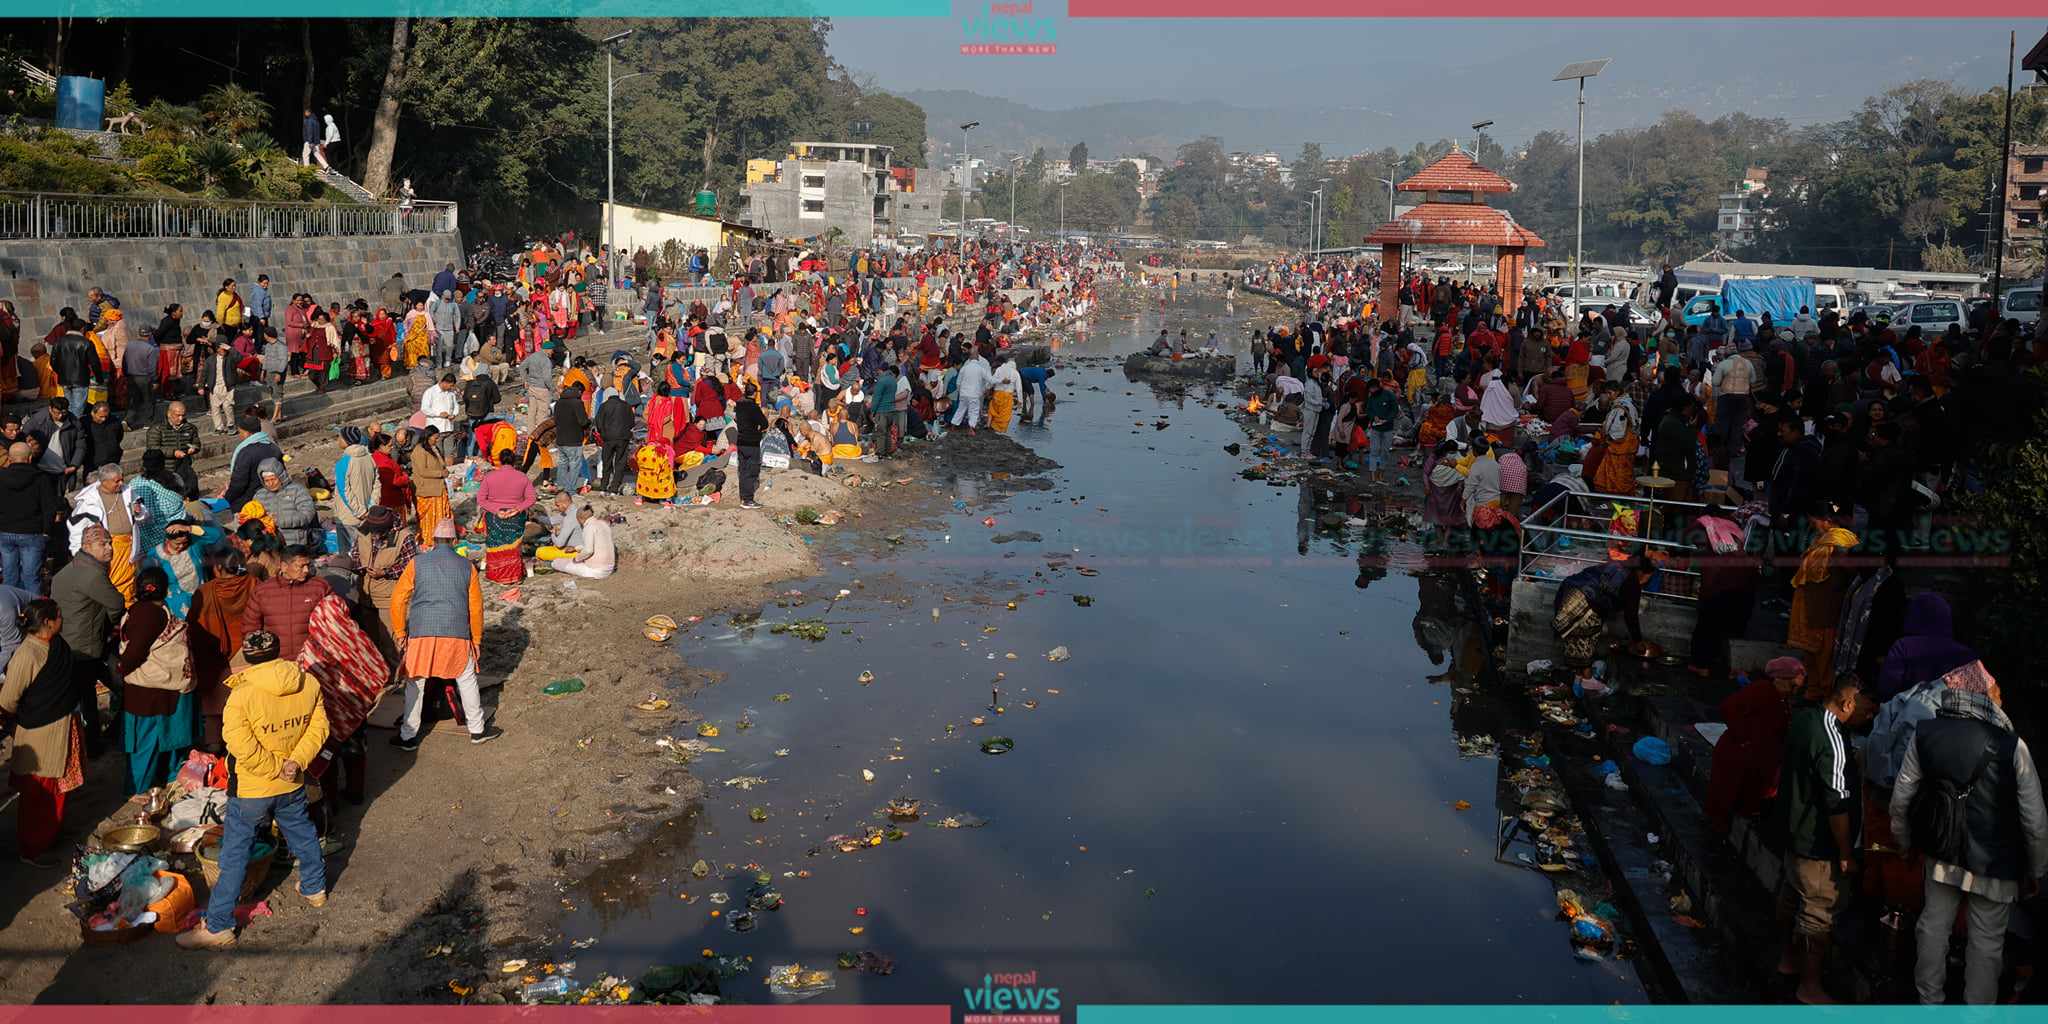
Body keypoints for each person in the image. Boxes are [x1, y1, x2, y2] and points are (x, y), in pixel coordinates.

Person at [1890, 671, 2048, 1005]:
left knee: (1933, 927)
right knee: (1987, 944)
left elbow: (1901, 796)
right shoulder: (2013, 745)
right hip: (1996, 862)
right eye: (1997, 690)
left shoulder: (1927, 732)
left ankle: (1928, 1003)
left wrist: (1904, 843)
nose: (2001, 698)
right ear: (1985, 694)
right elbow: (2034, 820)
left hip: (1941, 851)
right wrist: (2037, 870)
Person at [178, 629, 329, 950]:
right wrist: (295, 762)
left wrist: (275, 766)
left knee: (234, 853)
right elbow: (319, 727)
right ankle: (315, 887)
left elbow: (239, 744)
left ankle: (218, 925)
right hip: (292, 781)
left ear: (247, 658)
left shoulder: (243, 694)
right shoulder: (308, 682)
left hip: (253, 788)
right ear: (277, 651)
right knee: (301, 831)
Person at [1769, 675, 1864, 1004]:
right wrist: (1846, 851)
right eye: (1867, 708)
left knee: (1791, 896)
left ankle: (1787, 960)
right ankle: (1809, 986)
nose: (1870, 716)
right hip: (1817, 841)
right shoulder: (1832, 737)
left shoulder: (1806, 718)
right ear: (1848, 704)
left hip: (1793, 830)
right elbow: (1836, 800)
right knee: (1817, 911)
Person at [388, 519, 500, 749]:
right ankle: (477, 731)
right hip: (456, 632)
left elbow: (398, 600)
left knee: (415, 684)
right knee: (467, 680)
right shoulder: (467, 566)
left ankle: (408, 736)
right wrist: (476, 639)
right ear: (455, 541)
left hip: (421, 633)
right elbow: (475, 608)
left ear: (432, 541)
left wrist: (400, 632)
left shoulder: (416, 563)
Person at [1, 598, 82, 865]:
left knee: (57, 788)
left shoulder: (56, 644)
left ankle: (51, 834)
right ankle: (33, 849)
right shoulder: (28, 654)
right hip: (40, 734)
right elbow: (8, 698)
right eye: (59, 615)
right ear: (48, 622)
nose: (63, 619)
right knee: (39, 794)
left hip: (62, 727)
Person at [116, 566, 196, 794]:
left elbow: (134, 649)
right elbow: (137, 650)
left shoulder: (141, 611)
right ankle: (140, 790)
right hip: (154, 693)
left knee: (149, 745)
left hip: (149, 693)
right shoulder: (153, 613)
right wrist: (124, 667)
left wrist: (122, 669)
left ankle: (152, 784)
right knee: (152, 744)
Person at [1705, 656, 1805, 833]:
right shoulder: (1761, 690)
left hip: (1758, 760)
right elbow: (1728, 708)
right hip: (1737, 754)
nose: (1795, 691)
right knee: (1725, 797)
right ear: (1780, 679)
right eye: (1792, 685)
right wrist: (1745, 738)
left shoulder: (1783, 699)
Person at [53, 525, 125, 755]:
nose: (109, 548)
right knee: (91, 695)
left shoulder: (69, 569)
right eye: (102, 544)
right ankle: (94, 743)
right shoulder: (92, 574)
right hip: (87, 645)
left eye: (110, 542)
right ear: (86, 547)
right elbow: (116, 604)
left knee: (83, 694)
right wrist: (107, 625)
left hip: (69, 642)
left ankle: (92, 740)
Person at [1787, 503, 1858, 681]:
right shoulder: (1825, 539)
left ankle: (1821, 691)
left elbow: (1848, 569)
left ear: (1826, 521)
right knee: (1813, 652)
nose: (1812, 526)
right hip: (1816, 605)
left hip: (1827, 606)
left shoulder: (1839, 540)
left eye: (1814, 522)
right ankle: (1813, 689)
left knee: (1824, 651)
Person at [1874, 593, 1977, 703]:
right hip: (1954, 717)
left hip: (1906, 716)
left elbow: (1887, 689)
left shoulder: (1903, 647)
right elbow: (1976, 693)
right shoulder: (1967, 654)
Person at [1551, 555, 1655, 664]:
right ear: (1642, 572)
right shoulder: (1632, 582)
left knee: (1574, 637)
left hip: (1568, 590)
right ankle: (1585, 675)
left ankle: (1576, 671)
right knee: (1584, 639)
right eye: (1649, 576)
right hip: (1584, 601)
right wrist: (1638, 641)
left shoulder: (1614, 565)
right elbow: (1631, 616)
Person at [239, 544, 331, 662]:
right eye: (301, 566)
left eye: (308, 565)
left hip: (313, 661)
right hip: (276, 663)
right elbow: (250, 627)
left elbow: (334, 623)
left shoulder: (320, 587)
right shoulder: (263, 591)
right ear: (283, 566)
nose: (306, 570)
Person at [0, 441, 61, 590]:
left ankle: (10, 609)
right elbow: (49, 508)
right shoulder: (41, 478)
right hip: (32, 532)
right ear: (30, 458)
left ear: (10, 458)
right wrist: (47, 532)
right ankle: (34, 611)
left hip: (5, 531)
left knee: (9, 576)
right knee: (31, 577)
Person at [477, 449, 536, 584]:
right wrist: (517, 509)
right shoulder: (522, 477)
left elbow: (481, 499)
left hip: (494, 517)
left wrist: (496, 510)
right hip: (515, 517)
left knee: (496, 545)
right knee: (513, 547)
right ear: (514, 461)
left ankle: (497, 576)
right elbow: (531, 498)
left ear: (500, 460)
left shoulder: (490, 477)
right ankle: (514, 576)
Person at [223, 414, 283, 510]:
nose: (240, 436)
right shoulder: (273, 447)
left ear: (247, 433)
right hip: (274, 493)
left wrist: (226, 498)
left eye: (240, 433)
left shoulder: (246, 452)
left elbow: (239, 484)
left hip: (251, 499)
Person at [256, 458, 318, 548]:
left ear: (281, 476)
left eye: (273, 479)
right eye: (267, 481)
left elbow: (307, 515)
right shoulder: (259, 495)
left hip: (294, 544)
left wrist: (279, 520)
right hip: (270, 545)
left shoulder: (297, 490)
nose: (271, 483)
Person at [143, 401, 201, 497]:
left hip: (184, 466)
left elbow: (196, 443)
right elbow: (152, 448)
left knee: (191, 491)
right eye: (178, 415)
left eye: (183, 415)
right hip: (165, 468)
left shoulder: (190, 428)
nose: (181, 418)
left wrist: (194, 448)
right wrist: (173, 453)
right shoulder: (157, 429)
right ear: (169, 414)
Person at [410, 426, 451, 543]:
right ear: (428, 436)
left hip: (438, 487)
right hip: (428, 489)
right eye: (435, 437)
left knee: (441, 516)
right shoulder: (419, 451)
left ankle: (443, 539)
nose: (437, 440)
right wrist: (440, 473)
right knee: (430, 518)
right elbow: (422, 471)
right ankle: (431, 539)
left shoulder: (433, 448)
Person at [551, 504, 615, 579]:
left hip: (596, 571)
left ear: (580, 519)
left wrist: (576, 559)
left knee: (557, 562)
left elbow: (588, 551)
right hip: (610, 568)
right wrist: (575, 548)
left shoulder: (589, 527)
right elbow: (595, 546)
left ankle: (551, 564)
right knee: (570, 560)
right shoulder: (604, 524)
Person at [734, 380, 768, 509]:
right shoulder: (753, 407)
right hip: (751, 442)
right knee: (751, 471)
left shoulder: (739, 405)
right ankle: (748, 499)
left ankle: (743, 497)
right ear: (754, 394)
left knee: (742, 470)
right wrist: (758, 429)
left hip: (741, 440)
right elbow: (764, 423)